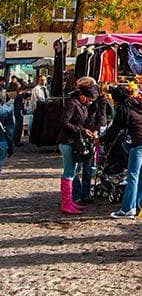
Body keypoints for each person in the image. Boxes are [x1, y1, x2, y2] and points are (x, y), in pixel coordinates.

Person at [110, 85, 142, 218]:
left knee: (133, 176)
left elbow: (115, 128)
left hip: (139, 143)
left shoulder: (123, 109)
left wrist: (102, 139)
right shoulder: (141, 104)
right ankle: (141, 206)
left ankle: (128, 209)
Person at [57, 84, 98, 215]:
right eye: (89, 99)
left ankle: (70, 202)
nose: (90, 102)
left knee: (72, 171)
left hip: (74, 142)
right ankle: (66, 203)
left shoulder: (83, 106)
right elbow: (64, 122)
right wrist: (81, 130)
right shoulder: (72, 104)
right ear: (83, 96)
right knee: (69, 172)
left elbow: (85, 122)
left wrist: (91, 130)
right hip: (67, 142)